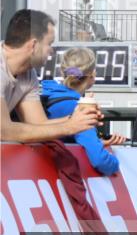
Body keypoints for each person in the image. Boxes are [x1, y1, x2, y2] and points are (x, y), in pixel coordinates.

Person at [1, 9, 100, 143]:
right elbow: (5, 131)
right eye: (49, 43)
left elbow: (38, 124)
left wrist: (79, 118)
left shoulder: (28, 74)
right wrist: (69, 127)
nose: (52, 51)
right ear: (34, 45)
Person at [40, 47, 127, 175]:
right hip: (62, 177)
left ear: (62, 71)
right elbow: (99, 160)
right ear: (92, 75)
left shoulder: (43, 95)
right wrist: (116, 165)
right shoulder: (80, 108)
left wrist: (99, 143)